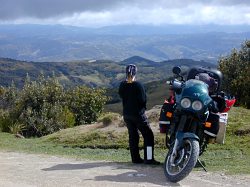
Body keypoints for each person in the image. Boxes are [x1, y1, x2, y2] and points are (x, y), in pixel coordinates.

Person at [118, 64, 160, 165]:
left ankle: (135, 159)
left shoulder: (122, 85)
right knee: (148, 135)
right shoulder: (138, 85)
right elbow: (143, 100)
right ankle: (149, 159)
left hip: (127, 114)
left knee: (133, 136)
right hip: (137, 114)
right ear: (135, 73)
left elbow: (121, 95)